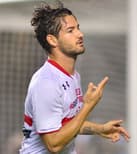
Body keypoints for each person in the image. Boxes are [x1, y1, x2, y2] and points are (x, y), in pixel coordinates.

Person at [19, 1, 130, 153]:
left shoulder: (72, 76)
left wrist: (100, 129)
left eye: (78, 28)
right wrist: (88, 105)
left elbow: (68, 124)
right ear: (52, 40)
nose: (80, 34)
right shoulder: (46, 83)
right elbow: (54, 144)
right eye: (70, 30)